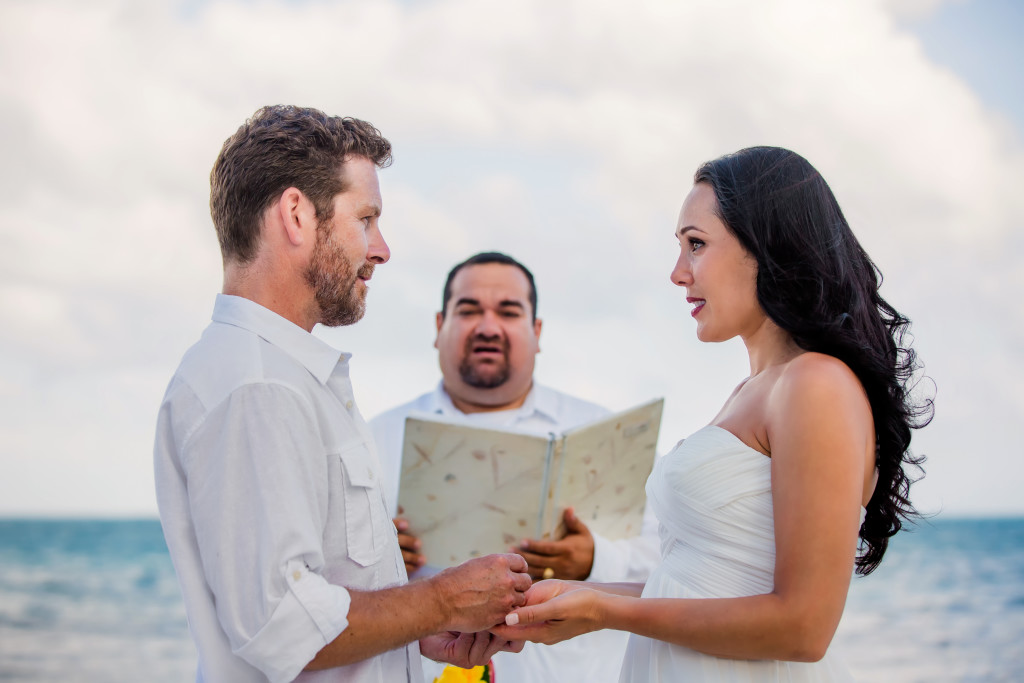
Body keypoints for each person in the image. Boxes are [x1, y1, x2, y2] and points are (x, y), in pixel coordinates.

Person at [494, 146, 932, 681]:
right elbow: (700, 584)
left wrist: (603, 611)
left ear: (768, 245)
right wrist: (577, 597)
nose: (678, 274)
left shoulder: (814, 383)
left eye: (696, 245)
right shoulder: (754, 389)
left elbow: (804, 627)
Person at [153, 106, 531, 683]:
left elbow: (310, 604)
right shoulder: (257, 386)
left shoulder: (278, 376)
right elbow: (282, 626)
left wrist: (416, 634)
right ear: (297, 215)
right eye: (367, 219)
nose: (381, 249)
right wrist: (444, 600)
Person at [369, 251, 661, 683]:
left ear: (537, 331)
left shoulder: (605, 435)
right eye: (469, 310)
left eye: (508, 311)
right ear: (438, 326)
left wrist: (595, 560)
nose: (488, 327)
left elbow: (671, 561)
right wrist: (379, 558)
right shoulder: (372, 440)